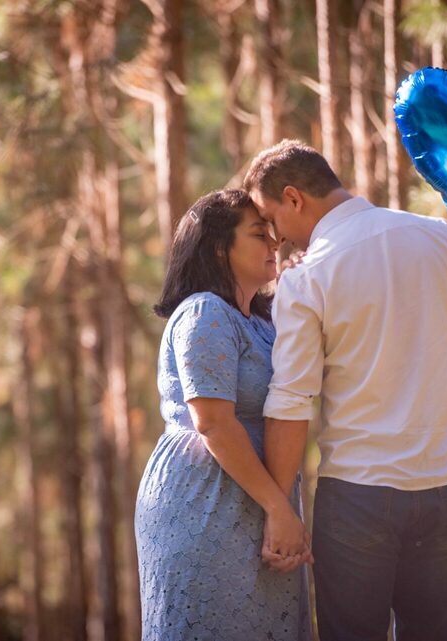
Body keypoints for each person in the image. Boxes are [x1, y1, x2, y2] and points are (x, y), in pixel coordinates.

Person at [243, 139, 447, 641]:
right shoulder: (436, 237)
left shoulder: (306, 277)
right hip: (442, 487)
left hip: (357, 497)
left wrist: (279, 509)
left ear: (294, 198)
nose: (276, 239)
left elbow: (292, 402)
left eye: (272, 220)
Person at [134, 189, 312, 641]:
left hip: (262, 504)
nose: (274, 243)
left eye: (273, 234)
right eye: (258, 235)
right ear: (219, 248)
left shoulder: (264, 322)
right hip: (206, 502)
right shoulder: (205, 312)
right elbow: (212, 422)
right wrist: (278, 508)